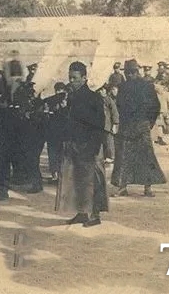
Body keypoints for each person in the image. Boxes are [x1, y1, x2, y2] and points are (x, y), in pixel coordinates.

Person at [55, 61, 108, 227]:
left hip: (88, 145)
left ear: (84, 78)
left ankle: (95, 215)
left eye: (75, 78)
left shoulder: (94, 97)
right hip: (74, 144)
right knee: (77, 180)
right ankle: (82, 212)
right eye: (70, 78)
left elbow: (100, 124)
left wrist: (94, 147)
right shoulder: (71, 97)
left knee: (92, 180)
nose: (72, 81)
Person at [112, 59, 165, 197]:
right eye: (128, 72)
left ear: (137, 71)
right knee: (123, 156)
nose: (130, 75)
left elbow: (155, 106)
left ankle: (147, 188)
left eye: (132, 72)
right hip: (127, 126)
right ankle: (122, 187)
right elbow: (119, 105)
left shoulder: (147, 86)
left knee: (146, 156)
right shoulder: (123, 86)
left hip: (141, 125)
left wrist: (149, 122)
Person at [101, 84, 119, 162]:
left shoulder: (109, 100)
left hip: (108, 124)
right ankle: (105, 156)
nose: (101, 91)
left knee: (109, 141)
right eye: (100, 90)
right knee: (103, 141)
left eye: (102, 90)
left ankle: (111, 156)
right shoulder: (98, 99)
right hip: (101, 125)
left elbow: (114, 112)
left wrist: (115, 124)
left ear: (106, 91)